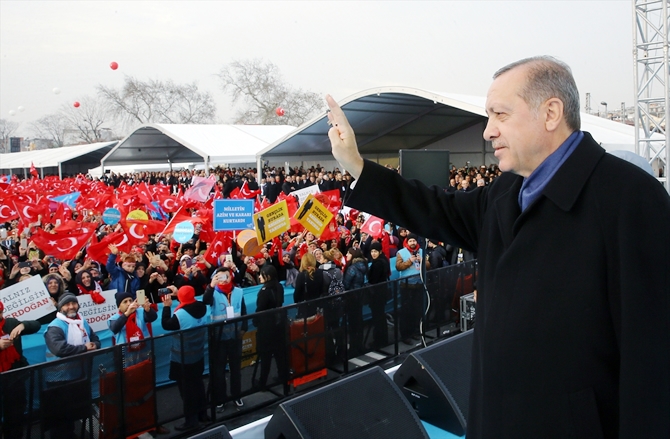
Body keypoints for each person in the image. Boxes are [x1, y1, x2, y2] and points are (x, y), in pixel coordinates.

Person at [326, 56, 670, 438]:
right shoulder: (505, 192)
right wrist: (356, 164)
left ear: (551, 112)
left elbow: (652, 363)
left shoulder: (630, 199)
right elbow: (434, 208)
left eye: (500, 115)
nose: (488, 131)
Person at [44, 293, 100, 438]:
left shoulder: (82, 322)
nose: (71, 307)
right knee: (60, 417)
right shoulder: (55, 326)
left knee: (74, 411)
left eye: (73, 303)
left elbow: (94, 338)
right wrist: (84, 348)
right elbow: (59, 348)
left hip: (79, 375)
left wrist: (95, 345)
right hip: (59, 378)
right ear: (60, 307)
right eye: (67, 304)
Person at [161, 286, 208, 431]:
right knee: (199, 385)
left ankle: (191, 421)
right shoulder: (202, 307)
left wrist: (167, 307)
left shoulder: (180, 314)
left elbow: (166, 324)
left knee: (187, 392)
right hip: (198, 354)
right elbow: (190, 300)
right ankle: (203, 415)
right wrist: (179, 295)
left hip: (182, 358)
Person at [202, 267, 247, 409]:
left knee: (236, 369)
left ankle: (236, 396)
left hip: (235, 336)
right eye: (219, 277)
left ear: (230, 277)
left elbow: (244, 311)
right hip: (218, 338)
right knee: (219, 371)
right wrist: (211, 286)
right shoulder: (213, 292)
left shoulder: (239, 292)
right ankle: (220, 399)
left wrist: (244, 328)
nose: (223, 280)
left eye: (225, 277)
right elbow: (205, 301)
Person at [0, 300, 41, 439]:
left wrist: (23, 325)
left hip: (14, 377)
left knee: (16, 415)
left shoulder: (10, 323)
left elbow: (36, 325)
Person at [253, 265, 289, 395]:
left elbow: (260, 309)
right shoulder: (279, 286)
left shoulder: (264, 291)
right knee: (280, 354)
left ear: (267, 276)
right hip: (279, 325)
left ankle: (263, 382)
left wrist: (255, 321)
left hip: (267, 327)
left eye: (262, 275)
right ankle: (283, 377)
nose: (259, 276)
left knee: (266, 356)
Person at [395, 233, 424, 344]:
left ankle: (415, 331)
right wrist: (409, 261)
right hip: (406, 285)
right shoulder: (401, 253)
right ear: (407, 242)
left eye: (414, 241)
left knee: (416, 310)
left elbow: (428, 265)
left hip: (418, 284)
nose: (413, 243)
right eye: (410, 241)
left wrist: (422, 261)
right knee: (406, 311)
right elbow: (398, 267)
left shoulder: (421, 251)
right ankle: (405, 335)